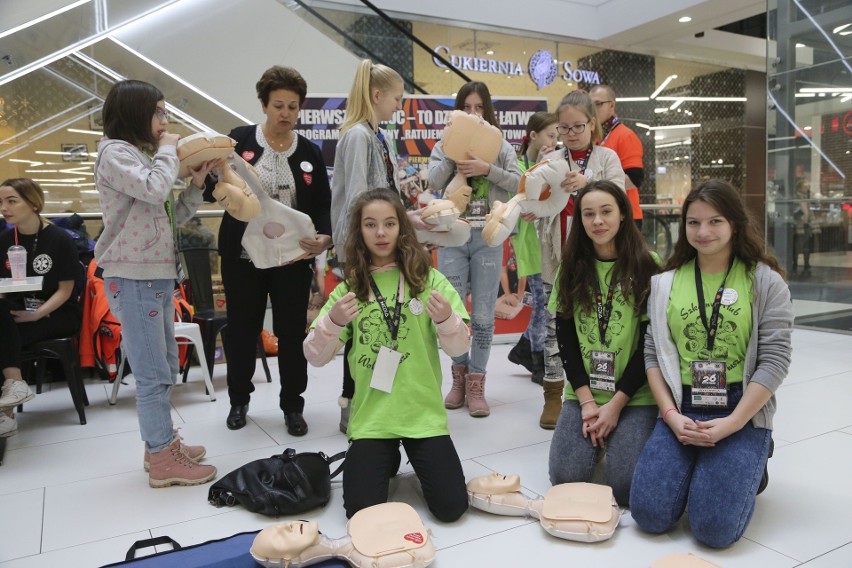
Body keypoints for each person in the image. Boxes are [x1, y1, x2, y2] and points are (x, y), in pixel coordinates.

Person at [630, 179, 793, 548]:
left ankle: (752, 455)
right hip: (682, 406)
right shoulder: (664, 284)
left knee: (714, 531)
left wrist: (734, 424)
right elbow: (653, 357)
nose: (703, 232)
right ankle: (713, 467)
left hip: (741, 408)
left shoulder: (765, 281)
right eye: (693, 222)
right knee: (650, 516)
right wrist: (670, 415)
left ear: (735, 223)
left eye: (715, 221)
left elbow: (775, 360)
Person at [304, 189, 470, 521]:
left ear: (401, 229)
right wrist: (333, 322)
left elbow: (460, 347)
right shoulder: (350, 288)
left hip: (422, 417)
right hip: (372, 420)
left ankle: (401, 451)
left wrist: (445, 320)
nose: (380, 233)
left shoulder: (429, 281)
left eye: (389, 224)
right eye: (370, 224)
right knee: (361, 513)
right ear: (359, 232)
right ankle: (387, 453)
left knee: (452, 508)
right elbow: (314, 357)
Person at [95, 79, 220, 487]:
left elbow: (169, 214)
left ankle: (159, 445)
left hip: (155, 276)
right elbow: (153, 189)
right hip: (134, 278)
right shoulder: (116, 154)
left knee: (164, 365)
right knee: (151, 372)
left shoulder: (142, 158)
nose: (165, 121)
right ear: (135, 112)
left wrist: (196, 188)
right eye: (160, 112)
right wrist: (169, 150)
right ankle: (163, 456)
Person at [204, 66, 332, 437]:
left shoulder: (308, 151)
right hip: (242, 256)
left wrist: (324, 236)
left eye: (293, 106)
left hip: (292, 257)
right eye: (278, 105)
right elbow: (213, 187)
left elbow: (322, 202)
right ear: (263, 104)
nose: (286, 113)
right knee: (244, 330)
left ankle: (293, 405)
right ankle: (239, 401)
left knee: (292, 332)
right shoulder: (237, 141)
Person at [547, 180, 659, 506]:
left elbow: (649, 344)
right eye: (589, 214)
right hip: (585, 394)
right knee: (564, 477)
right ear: (580, 220)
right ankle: (599, 442)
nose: (598, 221)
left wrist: (615, 406)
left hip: (633, 395)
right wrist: (587, 402)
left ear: (623, 214)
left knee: (625, 486)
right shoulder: (570, 268)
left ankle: (618, 438)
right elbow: (565, 338)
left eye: (606, 211)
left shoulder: (647, 264)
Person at [429, 81, 521, 417]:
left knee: (482, 316)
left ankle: (477, 382)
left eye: (479, 107)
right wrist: (454, 159)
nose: (472, 113)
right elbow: (433, 182)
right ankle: (459, 375)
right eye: (466, 107)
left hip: (488, 239)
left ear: (487, 110)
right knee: (452, 315)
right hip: (452, 236)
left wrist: (487, 169)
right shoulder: (446, 140)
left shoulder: (500, 143)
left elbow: (518, 182)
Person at [537, 90, 625, 430]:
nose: (571, 133)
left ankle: (593, 390)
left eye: (578, 126)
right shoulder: (551, 157)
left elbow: (621, 200)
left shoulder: (607, 158)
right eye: (564, 127)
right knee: (552, 324)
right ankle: (552, 393)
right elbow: (534, 193)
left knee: (595, 319)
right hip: (555, 250)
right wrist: (534, 206)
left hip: (594, 253)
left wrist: (589, 182)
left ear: (593, 123)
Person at [331, 59, 407, 434]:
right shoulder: (359, 136)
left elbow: (386, 195)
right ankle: (351, 403)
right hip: (363, 250)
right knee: (359, 331)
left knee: (382, 327)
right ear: (377, 96)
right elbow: (359, 200)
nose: (399, 106)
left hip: (382, 247)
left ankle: (378, 401)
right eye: (396, 99)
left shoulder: (380, 136)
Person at [0, 179, 84, 437]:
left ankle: (6, 415)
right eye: (1, 202)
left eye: (12, 201)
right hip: (17, 310)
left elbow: (66, 290)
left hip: (57, 312)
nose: (4, 208)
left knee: (3, 338)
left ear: (34, 203)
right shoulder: (4, 239)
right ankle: (14, 385)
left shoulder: (59, 238)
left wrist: (36, 314)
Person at [507, 111, 559, 385]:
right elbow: (518, 199)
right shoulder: (515, 164)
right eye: (551, 135)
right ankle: (537, 359)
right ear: (534, 135)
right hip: (528, 240)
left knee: (546, 300)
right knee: (542, 301)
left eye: (557, 136)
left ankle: (525, 349)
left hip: (551, 239)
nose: (555, 140)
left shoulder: (557, 161)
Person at [589, 85, 645, 229]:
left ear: (612, 105)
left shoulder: (625, 136)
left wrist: (595, 182)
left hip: (625, 215)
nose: (593, 110)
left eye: (598, 104)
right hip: (601, 215)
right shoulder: (594, 137)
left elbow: (635, 179)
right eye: (590, 105)